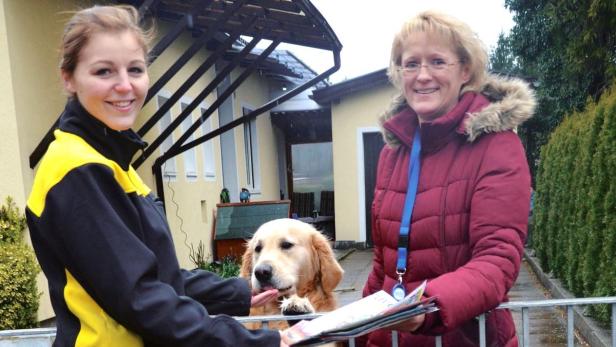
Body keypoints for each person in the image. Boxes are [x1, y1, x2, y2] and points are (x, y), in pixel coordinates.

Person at [25, 5, 287, 347]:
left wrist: (238, 291)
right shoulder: (77, 169)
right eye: (104, 71)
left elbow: (160, 276)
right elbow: (142, 300)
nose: (124, 86)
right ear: (68, 78)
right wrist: (257, 343)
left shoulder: (115, 163)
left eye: (135, 69)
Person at [360, 10, 535, 347]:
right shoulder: (392, 154)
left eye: (437, 62)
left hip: (467, 339)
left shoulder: (497, 146)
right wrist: (351, 336)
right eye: (411, 64)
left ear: (465, 70)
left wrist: (427, 307)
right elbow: (382, 269)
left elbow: (497, 262)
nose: (422, 75)